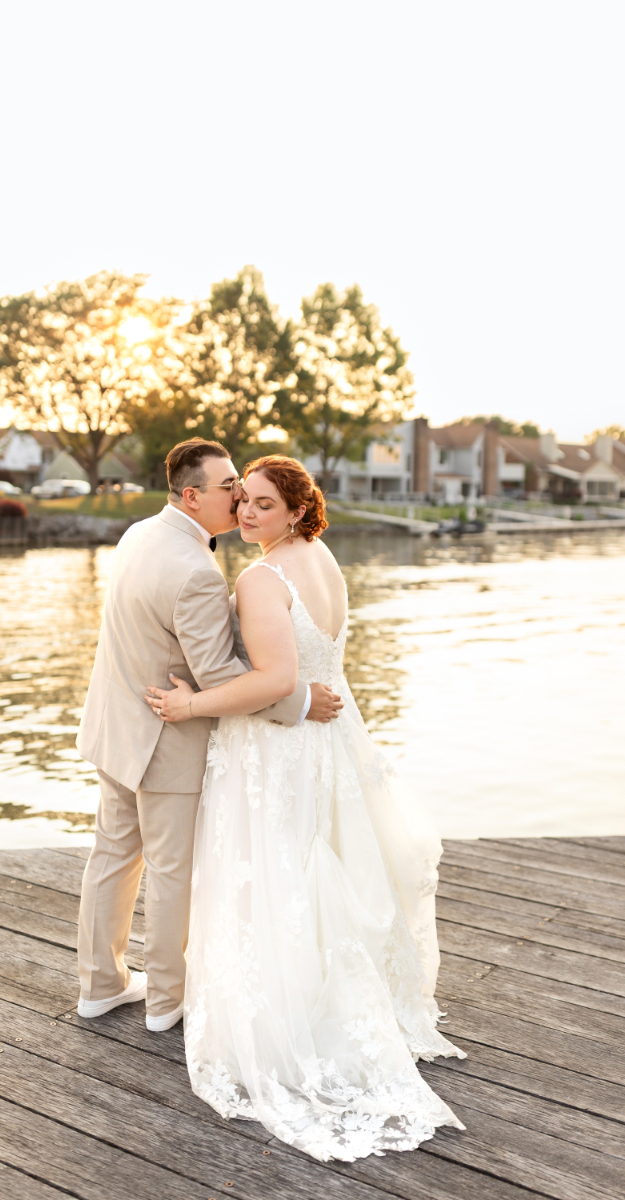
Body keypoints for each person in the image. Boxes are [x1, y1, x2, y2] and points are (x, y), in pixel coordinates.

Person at [145, 455, 466, 1161]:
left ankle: (290, 1020)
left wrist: (189, 703)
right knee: (320, 873)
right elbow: (317, 670)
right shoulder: (321, 557)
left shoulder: (262, 577)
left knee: (276, 876)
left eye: (263, 504)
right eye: (245, 501)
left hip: (278, 751)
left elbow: (278, 680)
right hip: (331, 744)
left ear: (295, 509)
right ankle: (338, 1000)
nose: (248, 514)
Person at [74, 439, 343, 1033]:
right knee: (170, 870)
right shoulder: (196, 569)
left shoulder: (139, 533)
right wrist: (297, 702)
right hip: (163, 738)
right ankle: (166, 1001)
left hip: (114, 723)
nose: (239, 498)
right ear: (193, 497)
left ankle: (101, 984)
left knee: (114, 856)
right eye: (230, 489)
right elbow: (219, 672)